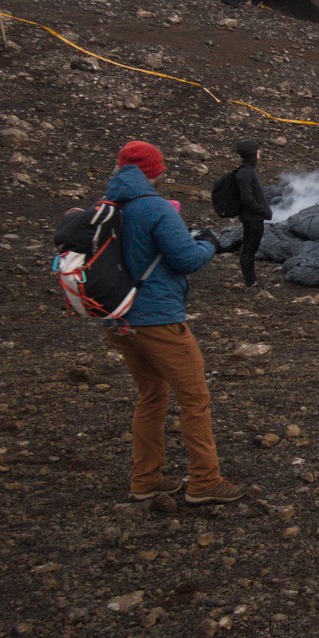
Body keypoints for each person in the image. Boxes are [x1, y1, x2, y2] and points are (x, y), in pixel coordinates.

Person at [102, 141, 245, 505]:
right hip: (158, 319)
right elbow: (185, 259)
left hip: (118, 318)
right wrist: (210, 244)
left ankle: (146, 479)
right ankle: (205, 481)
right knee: (195, 399)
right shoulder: (155, 208)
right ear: (156, 171)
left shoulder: (107, 206)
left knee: (151, 397)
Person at [233, 139, 273, 290]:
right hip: (252, 218)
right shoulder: (245, 173)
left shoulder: (248, 171)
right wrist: (262, 210)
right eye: (257, 150)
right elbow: (247, 198)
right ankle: (251, 283)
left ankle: (252, 281)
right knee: (248, 251)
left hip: (254, 217)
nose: (259, 152)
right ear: (252, 153)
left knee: (251, 250)